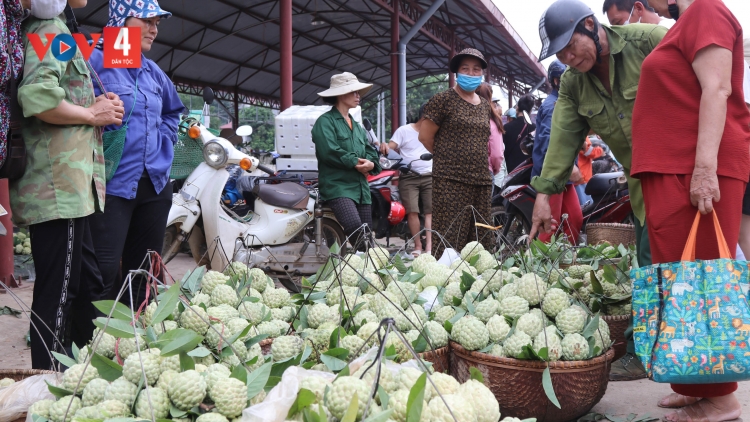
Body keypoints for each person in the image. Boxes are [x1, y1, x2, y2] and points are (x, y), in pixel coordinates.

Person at [530, 0, 666, 381]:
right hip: (642, 186)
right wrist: (544, 194)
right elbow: (561, 140)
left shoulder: (649, 41)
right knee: (648, 268)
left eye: (572, 47)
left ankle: (704, 349)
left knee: (694, 264)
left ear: (591, 25)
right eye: (561, 55)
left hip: (685, 176)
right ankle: (646, 351)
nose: (570, 58)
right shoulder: (573, 83)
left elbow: (711, 79)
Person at [631, 0, 749, 418]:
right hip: (673, 169)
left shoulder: (705, 9)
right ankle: (695, 380)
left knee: (700, 286)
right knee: (683, 284)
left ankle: (720, 397)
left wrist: (703, 169)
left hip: (689, 169)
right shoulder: (688, 22)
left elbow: (718, 88)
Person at [12, 0, 125, 370]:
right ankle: (48, 382)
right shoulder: (49, 30)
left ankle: (78, 371)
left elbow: (60, 92)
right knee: (59, 291)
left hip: (74, 185)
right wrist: (92, 113)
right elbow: (37, 95)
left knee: (86, 282)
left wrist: (92, 105)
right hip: (57, 185)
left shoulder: (58, 29)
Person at [88, 0, 184, 309]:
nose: (155, 29)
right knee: (100, 272)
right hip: (112, 184)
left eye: (157, 23)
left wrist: (163, 144)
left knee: (144, 273)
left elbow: (173, 111)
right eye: (147, 21)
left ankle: (135, 342)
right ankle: (93, 345)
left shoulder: (152, 71)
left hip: (155, 186)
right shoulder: (93, 60)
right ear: (120, 21)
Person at [419, 48, 494, 258]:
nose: (471, 73)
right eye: (465, 69)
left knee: (480, 237)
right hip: (450, 179)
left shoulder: (485, 106)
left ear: (481, 74)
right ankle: (446, 285)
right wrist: (448, 158)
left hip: (480, 180)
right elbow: (425, 137)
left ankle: (477, 284)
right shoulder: (442, 100)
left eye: (476, 69)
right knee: (450, 237)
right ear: (456, 72)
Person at [312, 72, 381, 251]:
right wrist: (355, 163)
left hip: (361, 189)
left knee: (366, 237)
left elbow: (369, 151)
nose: (358, 96)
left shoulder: (357, 127)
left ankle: (366, 269)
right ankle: (360, 263)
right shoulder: (325, 122)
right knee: (356, 229)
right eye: (354, 92)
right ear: (342, 94)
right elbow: (329, 151)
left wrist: (372, 164)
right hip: (337, 187)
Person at [533, 60, 583, 244]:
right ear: (556, 81)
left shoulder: (564, 103)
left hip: (564, 178)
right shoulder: (552, 106)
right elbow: (548, 144)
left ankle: (566, 263)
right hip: (552, 176)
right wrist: (570, 166)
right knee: (549, 226)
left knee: (574, 220)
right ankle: (536, 268)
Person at [380, 104, 433, 256]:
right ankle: (417, 246)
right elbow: (389, 149)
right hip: (409, 176)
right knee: (412, 212)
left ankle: (429, 247)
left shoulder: (434, 131)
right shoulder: (404, 131)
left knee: (430, 212)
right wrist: (383, 146)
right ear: (425, 117)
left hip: (430, 175)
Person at [477, 82, 505, 177]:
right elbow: (497, 155)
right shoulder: (492, 123)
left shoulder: (464, 118)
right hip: (485, 171)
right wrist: (494, 170)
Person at [501, 94, 535, 173]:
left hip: (510, 173)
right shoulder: (534, 128)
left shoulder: (506, 127)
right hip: (528, 172)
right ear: (530, 111)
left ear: (517, 108)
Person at [576, 134, 604, 209]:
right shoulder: (581, 134)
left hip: (576, 177)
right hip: (581, 178)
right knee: (587, 208)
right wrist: (600, 149)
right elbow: (588, 151)